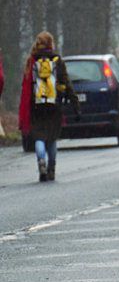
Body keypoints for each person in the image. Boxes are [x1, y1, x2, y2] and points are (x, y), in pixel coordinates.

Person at [18, 31, 79, 182]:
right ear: (51, 44)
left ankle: (41, 163)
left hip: (36, 107)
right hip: (54, 107)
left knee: (39, 138)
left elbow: (26, 85)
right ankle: (51, 169)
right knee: (51, 139)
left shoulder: (32, 61)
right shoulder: (57, 61)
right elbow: (66, 82)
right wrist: (75, 102)